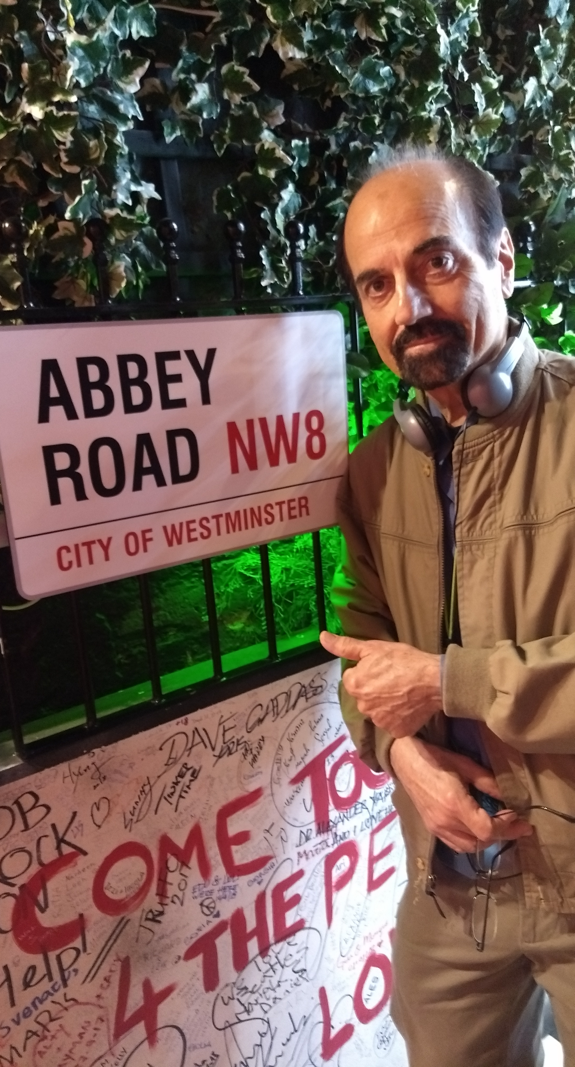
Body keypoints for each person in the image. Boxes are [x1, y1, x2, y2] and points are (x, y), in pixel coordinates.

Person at [319, 145, 575, 1067]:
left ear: (502, 259)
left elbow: (417, 673)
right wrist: (401, 754)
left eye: (436, 261)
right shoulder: (374, 470)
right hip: (451, 886)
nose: (408, 306)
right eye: (377, 284)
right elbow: (359, 654)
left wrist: (445, 680)